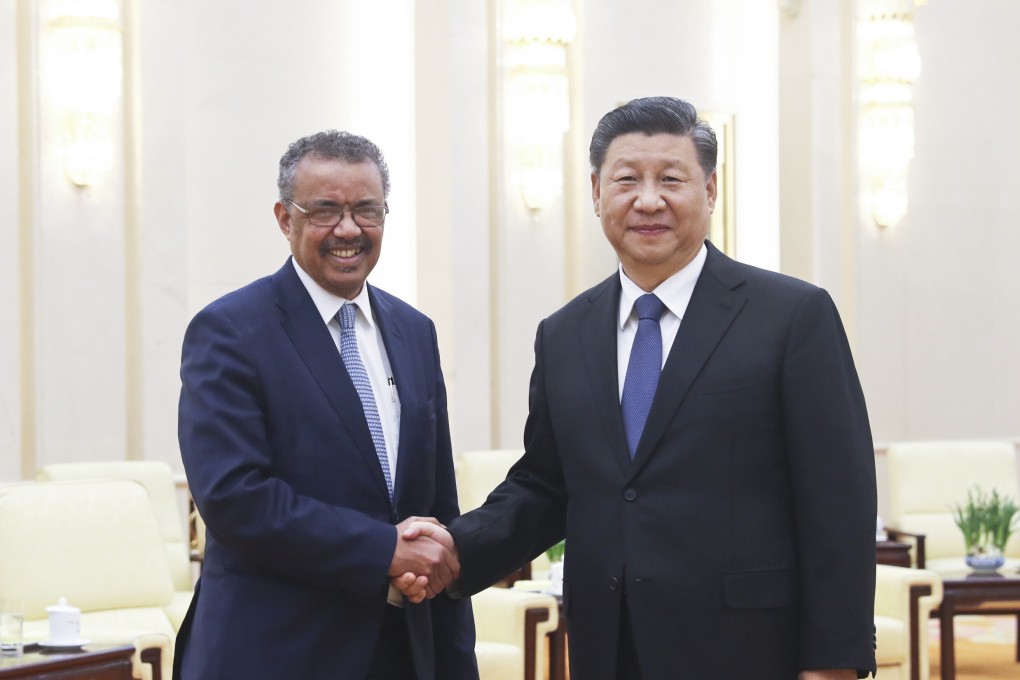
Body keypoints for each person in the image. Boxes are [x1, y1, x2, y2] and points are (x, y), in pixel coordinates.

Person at [402, 96, 877, 679]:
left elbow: (838, 503)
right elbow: (546, 484)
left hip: (749, 648)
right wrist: (455, 548)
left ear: (710, 190)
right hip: (610, 644)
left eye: (671, 179)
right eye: (628, 179)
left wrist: (834, 663)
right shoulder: (564, 333)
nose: (648, 200)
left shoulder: (792, 315)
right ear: (598, 192)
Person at [175, 130, 477, 680]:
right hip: (275, 652)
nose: (348, 229)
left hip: (401, 652)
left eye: (366, 210)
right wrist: (384, 550)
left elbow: (437, 504)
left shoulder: (415, 331)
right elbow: (235, 497)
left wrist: (455, 659)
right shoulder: (230, 331)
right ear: (284, 218)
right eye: (325, 211)